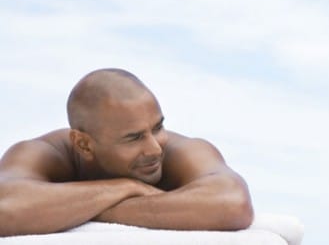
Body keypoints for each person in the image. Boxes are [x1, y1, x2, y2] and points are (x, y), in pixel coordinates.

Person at [0, 68, 253, 236]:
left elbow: (234, 204)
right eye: (133, 138)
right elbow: (4, 209)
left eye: (158, 127)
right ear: (83, 144)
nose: (154, 148)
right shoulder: (42, 153)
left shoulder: (182, 151)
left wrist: (83, 210)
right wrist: (124, 187)